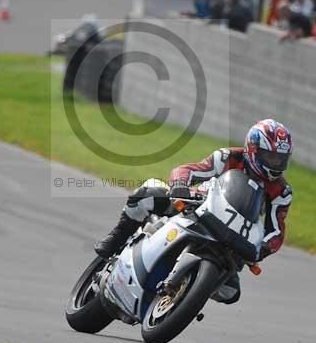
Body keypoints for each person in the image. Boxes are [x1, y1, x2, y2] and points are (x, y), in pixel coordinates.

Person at [94, 119, 294, 304]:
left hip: (234, 237)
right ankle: (116, 239)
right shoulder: (229, 157)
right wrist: (180, 186)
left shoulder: (281, 191)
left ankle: (186, 294)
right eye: (270, 157)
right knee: (146, 194)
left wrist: (264, 248)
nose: (275, 165)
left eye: (280, 159)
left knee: (230, 292)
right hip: (200, 206)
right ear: (253, 149)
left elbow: (276, 230)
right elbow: (190, 169)